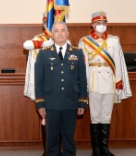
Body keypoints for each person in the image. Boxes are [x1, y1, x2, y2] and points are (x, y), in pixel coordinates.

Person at [78, 11, 132, 156]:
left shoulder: (114, 40)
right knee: (95, 115)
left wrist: (119, 80)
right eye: (98, 23)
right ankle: (96, 149)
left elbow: (119, 61)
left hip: (109, 81)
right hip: (93, 79)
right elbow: (81, 65)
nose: (101, 26)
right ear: (92, 24)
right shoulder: (84, 41)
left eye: (103, 23)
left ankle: (104, 147)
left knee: (106, 115)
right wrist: (84, 84)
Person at [35, 21, 88, 156]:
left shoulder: (77, 52)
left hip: (71, 102)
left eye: (63, 30)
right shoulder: (43, 54)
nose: (60, 33)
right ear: (52, 35)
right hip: (51, 103)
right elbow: (39, 81)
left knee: (69, 138)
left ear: (67, 33)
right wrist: (40, 103)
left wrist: (82, 101)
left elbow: (82, 79)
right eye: (57, 31)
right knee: (52, 139)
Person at [23, 13, 54, 156]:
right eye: (48, 21)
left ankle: (57, 150)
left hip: (60, 85)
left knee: (60, 118)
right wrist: (44, 44)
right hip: (45, 85)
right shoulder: (38, 39)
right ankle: (48, 150)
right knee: (46, 117)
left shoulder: (63, 39)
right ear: (43, 23)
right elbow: (27, 46)